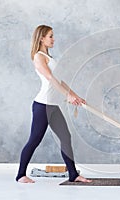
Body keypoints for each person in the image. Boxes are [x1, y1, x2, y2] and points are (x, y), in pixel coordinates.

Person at [15, 25, 91, 183]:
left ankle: (73, 174)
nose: (53, 39)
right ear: (41, 38)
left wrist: (75, 96)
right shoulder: (38, 56)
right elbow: (50, 78)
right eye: (50, 36)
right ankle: (20, 175)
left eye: (53, 36)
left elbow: (61, 81)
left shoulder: (50, 58)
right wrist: (68, 96)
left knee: (66, 137)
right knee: (34, 140)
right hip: (42, 106)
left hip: (53, 106)